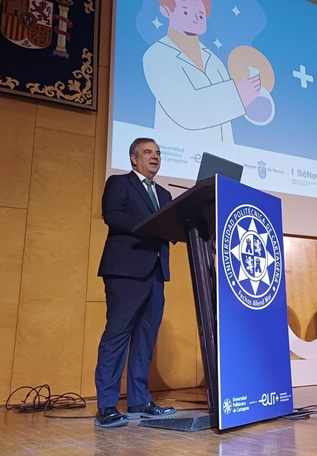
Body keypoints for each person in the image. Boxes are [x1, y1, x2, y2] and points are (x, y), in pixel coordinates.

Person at [94, 137, 176, 428]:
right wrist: (150, 227)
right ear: (134, 158)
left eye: (158, 153)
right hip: (125, 271)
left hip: (156, 273)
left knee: (145, 339)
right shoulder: (119, 183)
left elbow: (172, 228)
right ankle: (106, 406)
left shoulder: (165, 194)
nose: (155, 157)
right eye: (148, 152)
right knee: (117, 336)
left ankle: (139, 401)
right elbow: (113, 216)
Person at [139, 0, 261, 143]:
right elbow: (183, 108)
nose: (196, 18)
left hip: (220, 156)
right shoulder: (157, 55)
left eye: (201, 14)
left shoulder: (214, 60)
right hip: (178, 152)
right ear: (165, 10)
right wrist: (237, 95)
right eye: (186, 12)